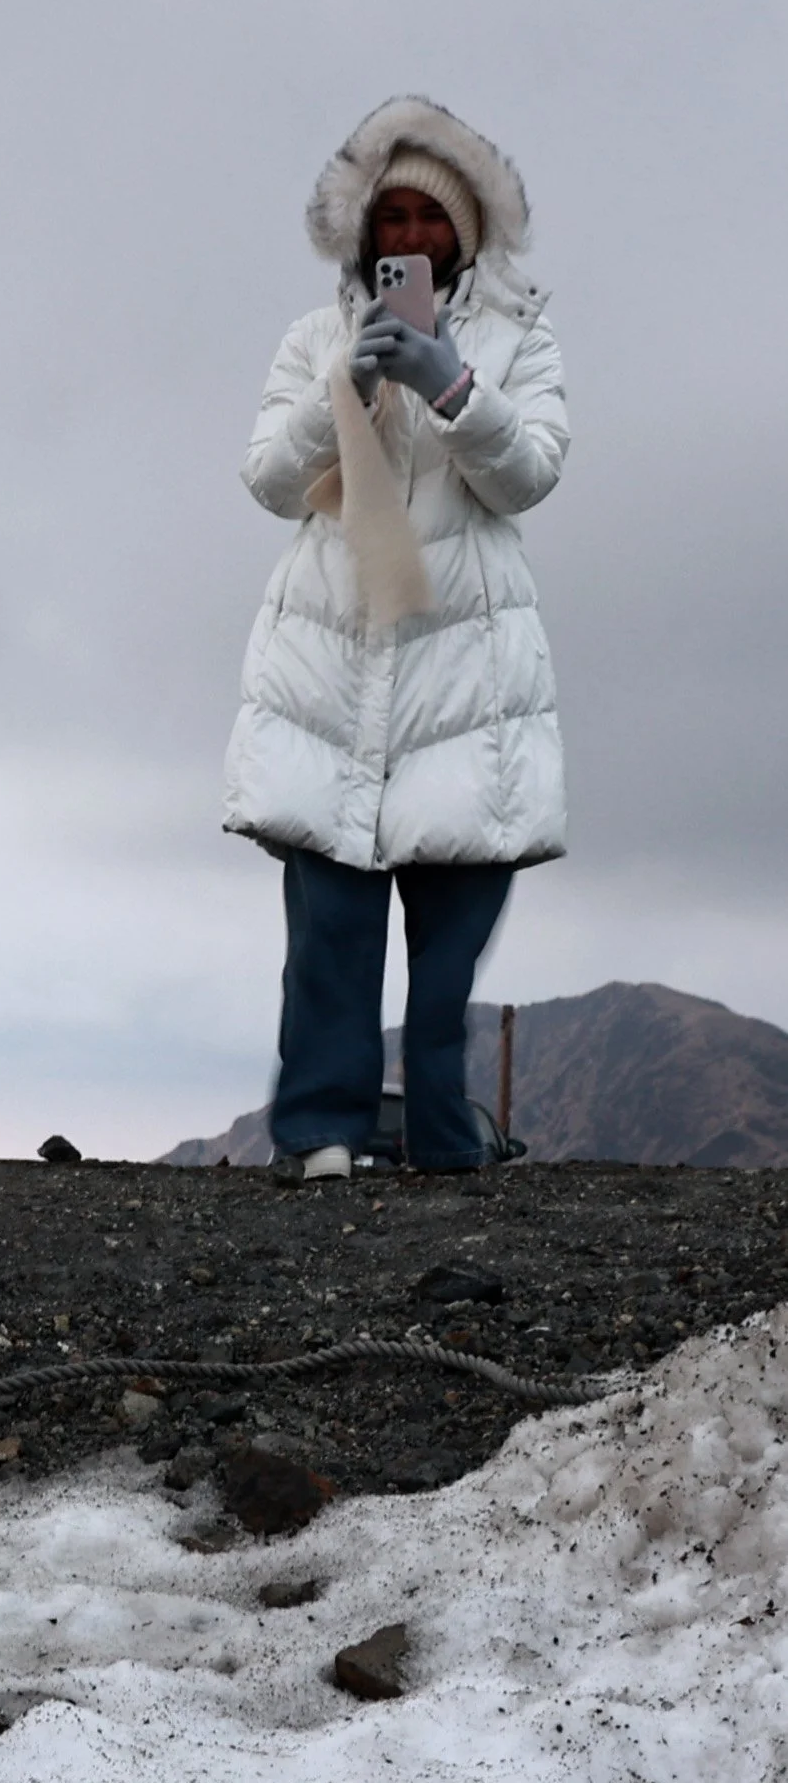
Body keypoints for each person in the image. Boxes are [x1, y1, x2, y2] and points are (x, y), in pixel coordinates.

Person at [222, 98, 569, 1179]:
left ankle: (439, 1138)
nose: (408, 237)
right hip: (335, 650)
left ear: (463, 233)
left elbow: (530, 475)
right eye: (392, 218)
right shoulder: (314, 339)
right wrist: (354, 385)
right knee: (329, 915)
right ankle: (320, 1133)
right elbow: (270, 480)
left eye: (431, 218)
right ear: (367, 234)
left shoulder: (521, 340)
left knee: (451, 924)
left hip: (463, 662)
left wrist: (454, 386)